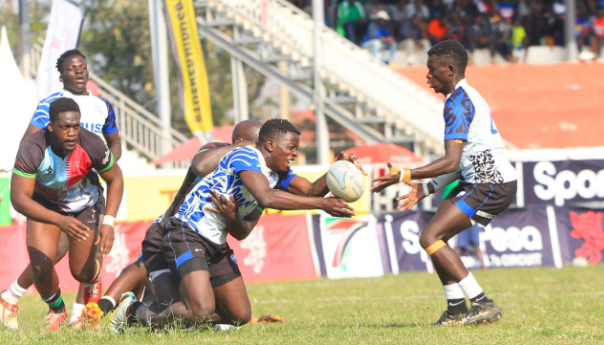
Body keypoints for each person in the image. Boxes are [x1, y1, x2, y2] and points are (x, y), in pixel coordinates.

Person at [109, 119, 360, 332]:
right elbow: (266, 197)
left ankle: (184, 318)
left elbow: (306, 192)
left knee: (238, 315)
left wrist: (338, 169)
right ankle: (134, 312)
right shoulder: (245, 154)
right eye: (292, 148)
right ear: (269, 145)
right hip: (187, 231)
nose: (295, 153)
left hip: (215, 241)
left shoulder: (275, 174)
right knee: (201, 308)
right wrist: (322, 204)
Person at [81, 120, 291, 328]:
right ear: (240, 141)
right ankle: (111, 309)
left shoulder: (258, 172)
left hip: (203, 239)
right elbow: (199, 166)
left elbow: (245, 227)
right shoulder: (217, 150)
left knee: (191, 314)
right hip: (171, 227)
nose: (262, 149)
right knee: (170, 304)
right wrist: (103, 306)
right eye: (257, 142)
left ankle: (154, 312)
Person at [371, 40, 517, 326]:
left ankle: (481, 303)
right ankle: (455, 308)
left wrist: (405, 175)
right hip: (478, 180)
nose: (427, 75)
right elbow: (461, 161)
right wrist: (427, 188)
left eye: (431, 68)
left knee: (430, 237)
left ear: (449, 69)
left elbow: (451, 161)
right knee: (435, 238)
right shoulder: (464, 97)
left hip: (491, 183)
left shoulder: (458, 104)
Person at [0, 49, 122, 329]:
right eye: (72, 68)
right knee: (45, 259)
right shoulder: (48, 106)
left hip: (85, 195)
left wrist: (101, 162)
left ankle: (78, 307)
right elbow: (29, 147)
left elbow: (114, 153)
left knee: (80, 267)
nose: (79, 71)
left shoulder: (102, 110)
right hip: (49, 196)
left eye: (83, 66)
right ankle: (57, 309)